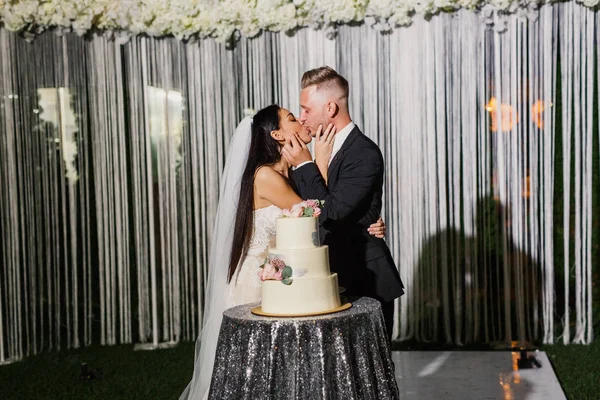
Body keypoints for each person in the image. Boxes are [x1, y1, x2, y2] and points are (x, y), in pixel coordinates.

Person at [180, 104, 387, 400]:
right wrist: (322, 164)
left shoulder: (287, 177)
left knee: (283, 371)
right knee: (259, 372)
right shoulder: (265, 176)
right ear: (277, 135)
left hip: (287, 277)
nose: (301, 119)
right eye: (292, 118)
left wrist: (370, 223)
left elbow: (327, 216)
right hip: (261, 282)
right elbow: (315, 218)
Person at [282, 66, 405, 339]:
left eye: (307, 110)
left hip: (364, 279)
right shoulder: (311, 153)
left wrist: (306, 165)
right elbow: (303, 210)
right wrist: (316, 163)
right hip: (324, 277)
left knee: (371, 373)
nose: (302, 118)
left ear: (330, 108)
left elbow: (333, 212)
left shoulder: (364, 153)